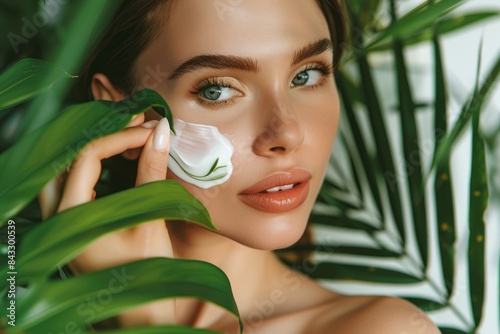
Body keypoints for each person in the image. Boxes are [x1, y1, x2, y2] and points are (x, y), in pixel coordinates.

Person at [40, 0, 441, 333]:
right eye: (217, 89)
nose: (287, 132)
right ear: (119, 111)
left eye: (307, 75)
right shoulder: (21, 303)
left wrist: (145, 319)